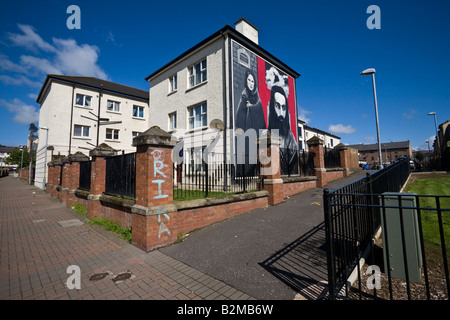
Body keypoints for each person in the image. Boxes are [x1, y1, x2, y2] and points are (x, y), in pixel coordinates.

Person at [267, 85, 298, 175]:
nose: (281, 113)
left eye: (283, 108)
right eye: (277, 106)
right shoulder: (265, 135)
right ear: (272, 107)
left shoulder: (290, 137)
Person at [235, 69, 266, 136]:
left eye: (252, 81)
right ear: (246, 81)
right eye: (249, 80)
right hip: (247, 137)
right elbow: (239, 120)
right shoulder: (244, 97)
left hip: (258, 137)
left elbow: (262, 122)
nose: (251, 83)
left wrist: (251, 107)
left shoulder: (258, 99)